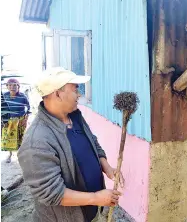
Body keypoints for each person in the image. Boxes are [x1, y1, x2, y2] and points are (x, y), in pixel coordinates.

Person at [17, 67, 123, 222]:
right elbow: (52, 193)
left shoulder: (75, 116)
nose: (79, 94)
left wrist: (105, 166)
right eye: (75, 89)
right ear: (58, 94)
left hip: (93, 211)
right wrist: (95, 197)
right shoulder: (36, 141)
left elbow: (92, 142)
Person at [1, 78, 31, 163]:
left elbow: (28, 108)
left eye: (15, 85)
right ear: (7, 86)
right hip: (9, 121)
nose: (12, 87)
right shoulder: (4, 96)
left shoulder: (22, 96)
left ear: (18, 86)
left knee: (21, 138)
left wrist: (26, 119)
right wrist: (3, 121)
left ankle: (21, 156)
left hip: (20, 121)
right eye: (10, 85)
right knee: (8, 139)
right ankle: (10, 155)